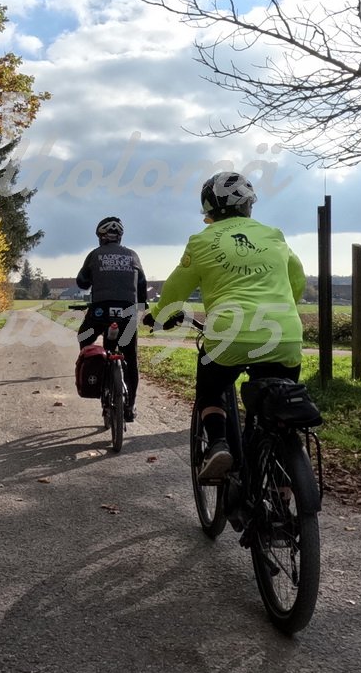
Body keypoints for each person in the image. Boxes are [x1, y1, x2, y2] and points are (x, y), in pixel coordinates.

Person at [149, 171, 304, 478]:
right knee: (278, 412)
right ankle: (286, 484)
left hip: (229, 336)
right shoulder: (274, 235)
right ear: (248, 205)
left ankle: (218, 443)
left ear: (208, 211)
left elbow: (175, 290)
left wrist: (159, 316)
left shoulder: (201, 241)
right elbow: (297, 279)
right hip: (284, 335)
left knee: (211, 388)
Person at [74, 216, 147, 421]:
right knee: (130, 357)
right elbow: (142, 285)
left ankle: (95, 371)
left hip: (100, 312)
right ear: (120, 237)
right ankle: (130, 407)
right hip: (127, 312)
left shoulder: (95, 255)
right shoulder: (133, 255)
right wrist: (142, 306)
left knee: (84, 337)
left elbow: (82, 282)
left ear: (101, 237)